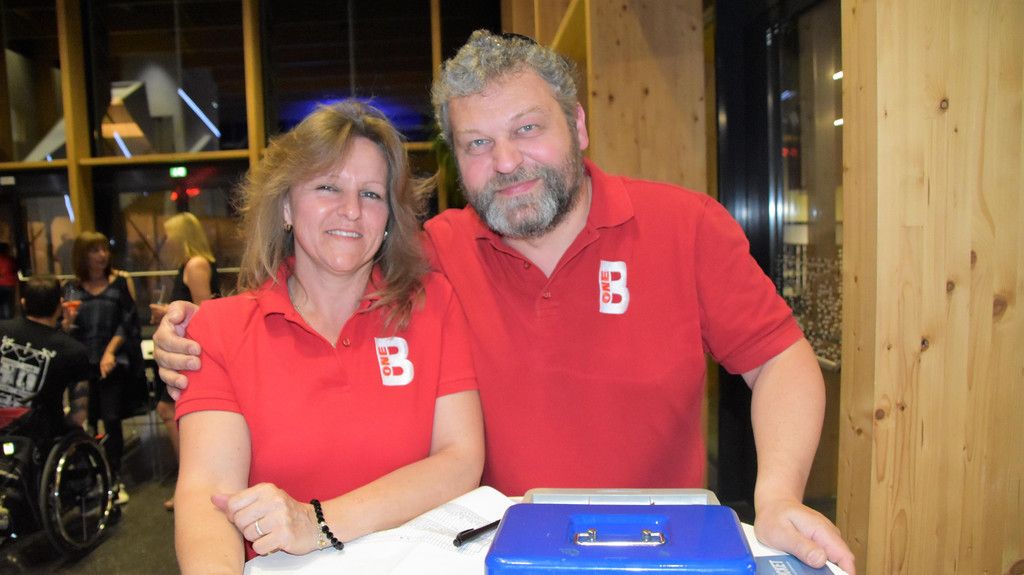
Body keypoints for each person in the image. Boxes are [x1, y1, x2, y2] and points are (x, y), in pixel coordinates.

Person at [155, 30, 855, 573]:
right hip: (493, 556)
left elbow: (781, 361)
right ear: (457, 160)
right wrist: (195, 329)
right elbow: (322, 272)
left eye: (527, 129)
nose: (508, 162)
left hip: (658, 548)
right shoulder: (433, 253)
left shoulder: (686, 226)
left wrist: (779, 495)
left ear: (578, 126)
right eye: (478, 143)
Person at [172, 101, 483, 572]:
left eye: (371, 194)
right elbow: (207, 496)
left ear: (389, 218)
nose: (352, 210)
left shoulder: (432, 305)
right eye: (327, 187)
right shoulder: (218, 330)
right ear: (285, 206)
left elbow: (460, 460)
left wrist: (318, 523)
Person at [63, 231, 141, 506]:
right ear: (82, 256)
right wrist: (67, 322)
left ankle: (113, 478)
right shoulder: (71, 289)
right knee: (83, 421)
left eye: (104, 249)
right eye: (94, 250)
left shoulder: (118, 284)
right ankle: (89, 477)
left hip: (112, 364)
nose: (102, 255)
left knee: (111, 419)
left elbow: (128, 321)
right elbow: (65, 331)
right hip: (81, 366)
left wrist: (110, 352)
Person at [149, 211, 220, 511]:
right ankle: (190, 485)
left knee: (173, 410)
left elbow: (206, 311)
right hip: (187, 351)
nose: (165, 242)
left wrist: (167, 311)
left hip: (193, 353)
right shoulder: (189, 265)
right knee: (169, 410)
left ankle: (190, 486)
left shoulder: (196, 265)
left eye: (169, 236)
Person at [0, 276, 90, 443]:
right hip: (40, 437)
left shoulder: (2, 329)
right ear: (60, 305)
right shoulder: (73, 350)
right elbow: (78, 415)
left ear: (23, 303)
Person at [0, 242, 17, 320]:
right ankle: (8, 319)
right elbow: (15, 269)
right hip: (9, 284)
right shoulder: (11, 259)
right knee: (8, 303)